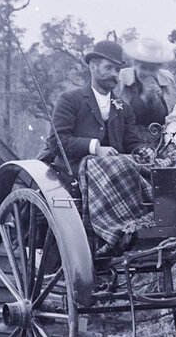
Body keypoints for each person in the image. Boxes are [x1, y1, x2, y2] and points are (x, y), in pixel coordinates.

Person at [39, 38, 150, 253]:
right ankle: (114, 230)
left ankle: (134, 226)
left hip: (114, 174)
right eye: (109, 68)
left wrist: (140, 150)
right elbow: (57, 141)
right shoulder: (70, 99)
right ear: (92, 67)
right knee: (115, 165)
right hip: (73, 170)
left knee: (140, 167)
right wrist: (95, 148)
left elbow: (131, 141)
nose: (114, 75)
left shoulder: (122, 107)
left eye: (118, 70)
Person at [120, 35, 176, 142]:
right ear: (134, 64)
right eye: (143, 68)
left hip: (163, 138)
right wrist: (144, 97)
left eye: (152, 69)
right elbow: (122, 117)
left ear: (159, 68)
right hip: (130, 140)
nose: (147, 73)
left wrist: (157, 100)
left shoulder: (169, 79)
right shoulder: (121, 79)